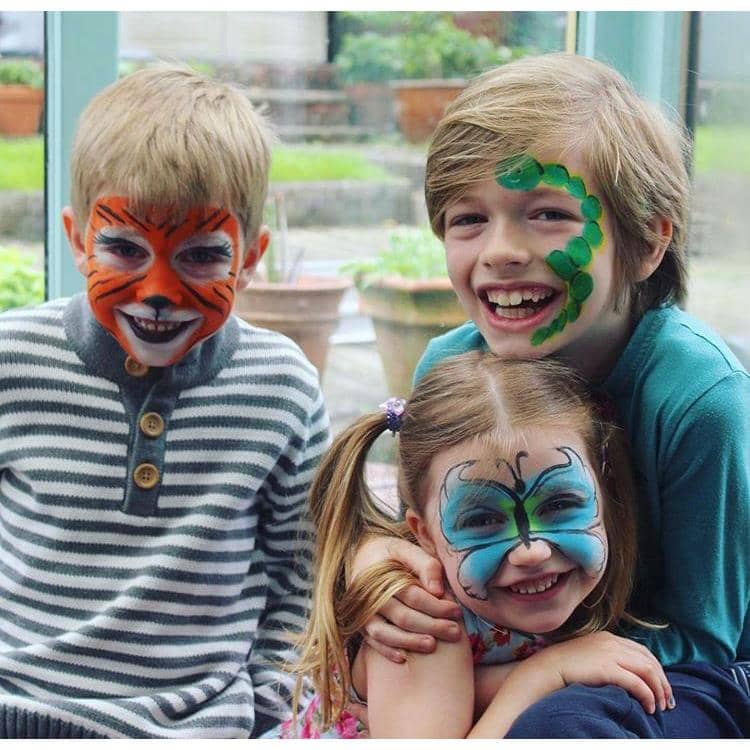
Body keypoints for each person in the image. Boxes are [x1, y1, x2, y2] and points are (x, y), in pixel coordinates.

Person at [352, 53, 750, 737]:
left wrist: (545, 674)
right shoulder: (452, 365)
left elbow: (707, 639)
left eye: (547, 213)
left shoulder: (699, 400)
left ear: (648, 240)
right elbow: (428, 536)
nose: (501, 251)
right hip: (523, 642)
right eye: (468, 219)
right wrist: (381, 565)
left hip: (676, 672)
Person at [0, 65, 329, 738]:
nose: (157, 292)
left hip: (196, 728)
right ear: (77, 240)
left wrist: (271, 708)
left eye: (201, 257)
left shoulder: (283, 389)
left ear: (250, 258)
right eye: (123, 249)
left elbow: (304, 575)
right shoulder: (13, 359)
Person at [278, 352, 688, 738]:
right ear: (424, 535)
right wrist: (546, 673)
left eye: (560, 504)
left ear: (604, 496)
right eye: (482, 520)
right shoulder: (422, 620)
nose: (532, 550)